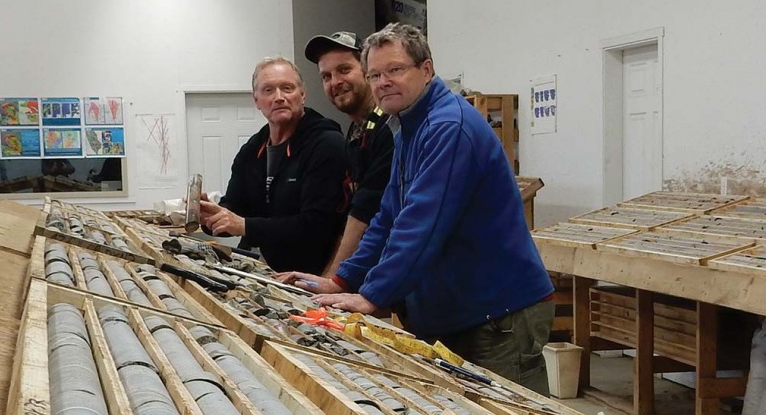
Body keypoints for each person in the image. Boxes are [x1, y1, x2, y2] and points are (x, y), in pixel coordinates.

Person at [279, 24, 555, 395]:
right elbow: (388, 216)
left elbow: (421, 225)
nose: (383, 82)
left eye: (395, 70)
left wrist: (372, 294)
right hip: (459, 312)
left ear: (426, 70)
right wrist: (343, 280)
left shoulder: (448, 127)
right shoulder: (408, 126)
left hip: (496, 315)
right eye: (375, 74)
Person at [199, 57, 348, 275]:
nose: (279, 98)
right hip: (265, 271)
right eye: (268, 90)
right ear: (256, 100)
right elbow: (234, 208)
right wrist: (209, 216)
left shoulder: (327, 145)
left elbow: (316, 226)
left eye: (287, 88)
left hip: (312, 276)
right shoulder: (252, 150)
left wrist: (245, 226)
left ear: (302, 94)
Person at [302, 31, 394, 276]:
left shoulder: (390, 128)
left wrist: (333, 279)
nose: (335, 82)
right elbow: (350, 216)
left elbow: (365, 213)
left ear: (367, 71)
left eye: (344, 70)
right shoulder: (356, 132)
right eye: (326, 76)